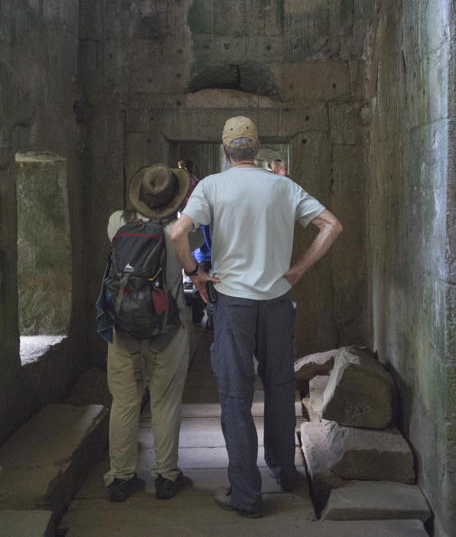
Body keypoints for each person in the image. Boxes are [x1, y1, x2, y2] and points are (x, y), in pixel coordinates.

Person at [170, 116, 342, 518]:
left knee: (235, 395)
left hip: (233, 305)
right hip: (277, 303)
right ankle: (284, 472)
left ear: (226, 150)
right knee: (280, 387)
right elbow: (332, 226)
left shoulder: (212, 185)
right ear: (258, 147)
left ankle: (246, 494)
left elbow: (177, 234)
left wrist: (196, 275)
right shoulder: (284, 186)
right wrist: (299, 268)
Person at [96, 163, 200, 503]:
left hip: (123, 327)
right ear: (175, 198)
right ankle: (166, 476)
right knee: (165, 402)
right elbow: (191, 253)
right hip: (166, 329)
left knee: (124, 402)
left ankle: (120, 478)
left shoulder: (116, 222)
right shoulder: (181, 230)